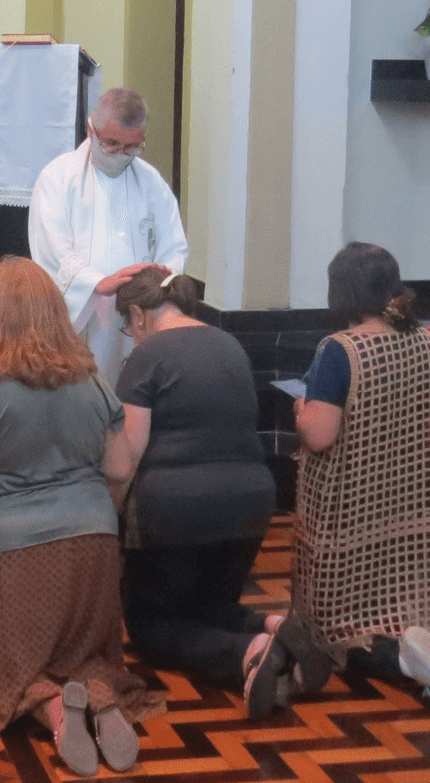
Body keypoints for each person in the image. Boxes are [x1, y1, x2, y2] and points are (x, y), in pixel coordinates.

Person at [0, 257, 162, 777]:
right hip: (92, 540)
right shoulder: (95, 384)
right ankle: (102, 700)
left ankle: (59, 712)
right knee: (83, 652)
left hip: (9, 549)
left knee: (4, 672)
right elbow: (119, 465)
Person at [292, 244, 430, 707]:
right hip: (409, 504)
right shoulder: (425, 340)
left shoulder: (340, 351)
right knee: (401, 611)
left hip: (349, 508)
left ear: (341, 292)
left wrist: (300, 411)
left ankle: (407, 664)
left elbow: (320, 436)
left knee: (341, 631)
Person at [109, 267, 319, 718]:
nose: (130, 336)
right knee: (210, 607)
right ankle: (277, 626)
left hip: (174, 509)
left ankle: (247, 655)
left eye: (127, 327)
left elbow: (128, 455)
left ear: (139, 314)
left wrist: (112, 516)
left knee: (149, 626)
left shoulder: (145, 358)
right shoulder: (230, 344)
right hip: (251, 501)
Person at [29, 88, 188, 385]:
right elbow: (50, 248)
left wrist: (160, 278)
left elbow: (174, 247)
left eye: (132, 147)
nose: (120, 154)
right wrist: (97, 283)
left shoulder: (152, 182)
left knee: (130, 397)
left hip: (138, 316)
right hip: (84, 315)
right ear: (91, 130)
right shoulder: (57, 178)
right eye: (111, 143)